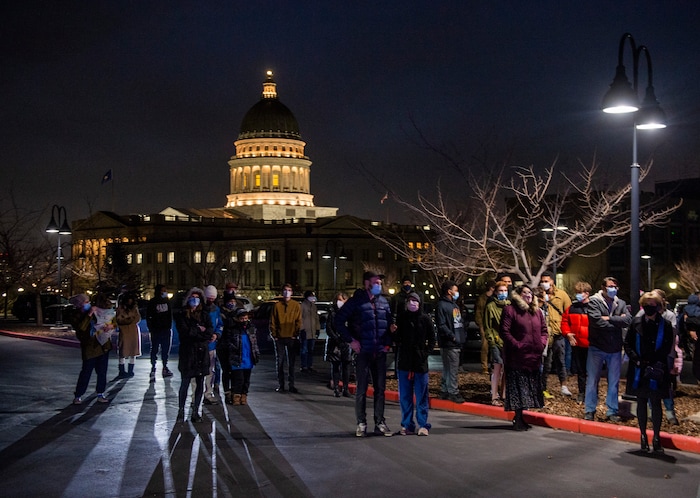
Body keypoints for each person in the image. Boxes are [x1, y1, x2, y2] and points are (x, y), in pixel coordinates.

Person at [335, 271, 395, 437]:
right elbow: (338, 321)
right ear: (367, 283)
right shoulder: (355, 302)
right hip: (363, 352)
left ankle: (380, 422)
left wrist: (388, 342)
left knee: (380, 389)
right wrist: (351, 341)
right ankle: (361, 422)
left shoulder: (384, 302)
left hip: (380, 352)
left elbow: (389, 324)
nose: (379, 285)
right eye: (376, 282)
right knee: (361, 390)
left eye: (380, 283)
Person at [624, 292, 674, 453]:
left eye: (652, 305)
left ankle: (657, 437)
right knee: (641, 402)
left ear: (658, 306)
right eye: (646, 305)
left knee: (656, 403)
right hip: (639, 368)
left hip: (657, 368)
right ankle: (643, 436)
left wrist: (655, 361)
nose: (649, 308)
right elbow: (628, 343)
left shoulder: (665, 325)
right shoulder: (636, 322)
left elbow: (667, 346)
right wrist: (636, 359)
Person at [500, 284, 549, 431]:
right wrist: (517, 345)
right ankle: (518, 417)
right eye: (525, 293)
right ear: (518, 295)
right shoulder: (510, 310)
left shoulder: (537, 312)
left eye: (530, 293)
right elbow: (505, 331)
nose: (528, 295)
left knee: (529, 388)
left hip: (534, 357)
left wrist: (541, 344)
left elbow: (544, 331)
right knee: (519, 389)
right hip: (517, 357)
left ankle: (521, 417)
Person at [584, 277, 631, 422]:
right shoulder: (593, 301)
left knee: (614, 382)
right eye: (610, 286)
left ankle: (612, 411)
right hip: (596, 347)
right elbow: (597, 322)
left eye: (615, 287)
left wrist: (609, 319)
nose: (613, 289)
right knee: (592, 381)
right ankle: (590, 410)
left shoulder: (620, 302)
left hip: (615, 348)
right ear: (603, 287)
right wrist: (617, 320)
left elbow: (627, 320)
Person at [394, 292, 435, 436]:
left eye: (415, 301)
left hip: (420, 363)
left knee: (421, 395)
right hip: (405, 362)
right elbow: (396, 339)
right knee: (405, 396)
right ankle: (407, 424)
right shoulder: (401, 318)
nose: (412, 303)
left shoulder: (425, 319)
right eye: (410, 300)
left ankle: (423, 424)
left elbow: (432, 338)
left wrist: (425, 353)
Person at [174, 287, 215, 422]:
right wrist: (199, 330)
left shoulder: (204, 315)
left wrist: (200, 332)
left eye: (197, 297)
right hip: (188, 353)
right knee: (185, 382)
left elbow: (209, 332)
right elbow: (185, 333)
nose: (195, 300)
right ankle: (181, 410)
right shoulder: (182, 315)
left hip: (201, 353)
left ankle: (196, 411)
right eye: (192, 297)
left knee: (200, 383)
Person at [69, 293, 113, 404]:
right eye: (86, 302)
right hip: (89, 347)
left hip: (102, 345)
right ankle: (78, 395)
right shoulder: (76, 315)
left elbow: (107, 320)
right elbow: (81, 328)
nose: (88, 304)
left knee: (102, 372)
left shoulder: (97, 311)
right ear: (80, 304)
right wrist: (89, 314)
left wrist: (110, 326)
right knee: (86, 372)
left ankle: (100, 393)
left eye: (89, 302)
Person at [539, 271, 573, 397]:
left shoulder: (562, 295)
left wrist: (567, 330)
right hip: (544, 334)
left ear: (552, 281)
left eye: (546, 281)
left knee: (560, 360)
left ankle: (564, 386)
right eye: (542, 281)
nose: (544, 283)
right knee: (545, 363)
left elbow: (568, 312)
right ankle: (543, 387)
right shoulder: (539, 294)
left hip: (558, 332)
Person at [220, 308, 260, 405]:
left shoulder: (251, 329)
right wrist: (233, 350)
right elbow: (229, 342)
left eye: (246, 318)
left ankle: (244, 396)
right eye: (242, 318)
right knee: (239, 379)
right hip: (237, 359)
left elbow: (254, 344)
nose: (244, 321)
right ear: (237, 319)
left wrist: (256, 355)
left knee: (246, 380)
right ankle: (236, 396)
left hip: (248, 359)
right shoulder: (233, 330)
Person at [561, 281, 592, 404]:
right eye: (577, 292)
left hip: (591, 345)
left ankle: (590, 393)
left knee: (591, 372)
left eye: (580, 292)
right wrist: (567, 333)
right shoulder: (572, 308)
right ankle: (582, 393)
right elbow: (564, 322)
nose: (578, 295)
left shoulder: (593, 307)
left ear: (587, 293)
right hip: (577, 344)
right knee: (581, 371)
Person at [436, 280, 465, 404]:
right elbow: (441, 324)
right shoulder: (442, 305)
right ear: (449, 291)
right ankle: (453, 392)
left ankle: (445, 390)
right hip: (449, 342)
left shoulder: (454, 305)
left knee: (448, 368)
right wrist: (452, 336)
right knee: (452, 368)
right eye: (455, 290)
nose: (457, 292)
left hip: (454, 341)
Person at [270, 283, 302, 393]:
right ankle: (281, 384)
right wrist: (274, 335)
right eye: (285, 290)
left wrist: (295, 334)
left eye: (289, 290)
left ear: (291, 292)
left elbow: (298, 321)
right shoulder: (277, 306)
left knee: (291, 363)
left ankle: (291, 384)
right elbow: (273, 321)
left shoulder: (296, 305)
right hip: (280, 338)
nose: (286, 292)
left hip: (291, 337)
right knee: (280, 362)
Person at [484, 280, 510, 405]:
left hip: (508, 342)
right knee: (497, 368)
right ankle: (494, 396)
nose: (503, 293)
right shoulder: (490, 307)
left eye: (505, 290)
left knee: (507, 369)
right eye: (501, 290)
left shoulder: (510, 305)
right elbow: (487, 326)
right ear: (495, 292)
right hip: (496, 341)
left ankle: (504, 394)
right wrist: (492, 340)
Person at [324, 292, 352, 397]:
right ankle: (336, 388)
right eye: (338, 300)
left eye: (342, 300)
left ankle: (345, 388)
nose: (340, 302)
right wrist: (336, 338)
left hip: (346, 343)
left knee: (346, 367)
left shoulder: (350, 313)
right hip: (335, 343)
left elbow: (352, 326)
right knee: (335, 366)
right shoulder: (332, 312)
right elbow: (328, 328)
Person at [146, 284, 174, 381]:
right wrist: (151, 328)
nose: (165, 292)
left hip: (166, 330)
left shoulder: (167, 302)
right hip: (156, 330)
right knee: (154, 349)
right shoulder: (153, 302)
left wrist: (169, 327)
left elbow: (170, 315)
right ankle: (153, 368)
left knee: (165, 350)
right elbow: (148, 315)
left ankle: (165, 367)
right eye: (163, 290)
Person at [201, 285, 223, 405]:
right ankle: (196, 396)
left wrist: (216, 334)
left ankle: (208, 393)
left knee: (211, 370)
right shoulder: (201, 309)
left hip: (211, 345)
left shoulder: (216, 310)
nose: (211, 301)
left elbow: (220, 324)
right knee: (199, 372)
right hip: (202, 344)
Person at [217, 291, 239, 404]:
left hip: (234, 346)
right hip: (223, 345)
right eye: (230, 301)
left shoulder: (237, 313)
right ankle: (227, 392)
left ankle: (234, 392)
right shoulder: (221, 313)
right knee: (226, 370)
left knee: (234, 370)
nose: (232, 303)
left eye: (234, 301)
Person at [115, 291, 141, 379]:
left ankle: (130, 370)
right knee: (123, 351)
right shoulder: (120, 308)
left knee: (133, 351)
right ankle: (121, 371)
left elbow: (137, 318)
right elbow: (119, 320)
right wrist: (130, 319)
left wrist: (127, 319)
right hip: (124, 331)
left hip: (133, 332)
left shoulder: (134, 308)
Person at [475, 280, 496, 375]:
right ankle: (484, 367)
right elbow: (478, 312)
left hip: (493, 325)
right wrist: (480, 324)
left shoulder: (494, 298)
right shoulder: (482, 298)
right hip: (484, 324)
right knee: (485, 346)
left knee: (494, 345)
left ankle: (493, 365)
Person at [300, 290, 320, 373]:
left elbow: (316, 318)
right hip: (305, 331)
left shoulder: (314, 306)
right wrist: (302, 329)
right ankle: (304, 366)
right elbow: (300, 318)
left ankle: (310, 365)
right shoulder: (302, 306)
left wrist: (317, 329)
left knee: (311, 350)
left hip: (312, 332)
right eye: (311, 295)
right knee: (304, 350)